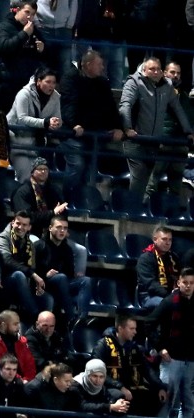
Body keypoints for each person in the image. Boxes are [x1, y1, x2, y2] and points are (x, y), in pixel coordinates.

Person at [119, 57, 194, 200]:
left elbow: (178, 109)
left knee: (146, 178)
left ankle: (139, 210)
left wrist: (188, 131)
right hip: (136, 139)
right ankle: (132, 210)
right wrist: (127, 128)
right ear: (144, 70)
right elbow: (125, 106)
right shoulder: (134, 82)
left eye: (158, 69)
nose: (155, 72)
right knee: (139, 176)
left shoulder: (167, 86)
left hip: (153, 142)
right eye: (152, 69)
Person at [59, 50, 124, 198]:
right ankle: (66, 199)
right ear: (88, 65)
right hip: (73, 134)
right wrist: (74, 124)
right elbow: (69, 103)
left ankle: (84, 201)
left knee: (91, 172)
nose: (102, 68)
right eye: (99, 64)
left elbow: (111, 108)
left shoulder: (102, 82)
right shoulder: (71, 78)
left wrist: (118, 127)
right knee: (77, 165)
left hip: (94, 135)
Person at [147, 268, 194, 418]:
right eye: (185, 282)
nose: (188, 286)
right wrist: (160, 348)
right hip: (171, 359)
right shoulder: (169, 302)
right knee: (167, 400)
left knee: (188, 402)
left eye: (191, 283)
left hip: (190, 360)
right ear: (179, 283)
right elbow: (149, 324)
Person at [91, 315, 165, 418]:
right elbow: (96, 373)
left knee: (154, 396)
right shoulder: (103, 345)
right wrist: (120, 387)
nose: (135, 332)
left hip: (130, 387)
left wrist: (160, 387)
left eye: (135, 328)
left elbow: (147, 370)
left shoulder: (134, 347)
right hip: (108, 387)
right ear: (120, 328)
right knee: (119, 397)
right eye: (131, 329)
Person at [7, 67, 64, 183]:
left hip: (36, 142)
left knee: (40, 177)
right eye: (48, 82)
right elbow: (21, 118)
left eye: (53, 82)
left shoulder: (55, 97)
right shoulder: (24, 94)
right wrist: (45, 123)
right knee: (25, 175)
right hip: (16, 140)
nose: (51, 86)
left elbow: (58, 117)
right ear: (38, 81)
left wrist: (56, 123)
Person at [33, 215, 91, 324]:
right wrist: (46, 274)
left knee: (86, 280)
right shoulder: (39, 246)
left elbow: (69, 273)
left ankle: (82, 319)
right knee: (61, 277)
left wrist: (75, 276)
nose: (62, 231)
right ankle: (71, 318)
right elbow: (31, 271)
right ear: (50, 228)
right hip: (44, 282)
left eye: (65, 228)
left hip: (63, 282)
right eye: (59, 227)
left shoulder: (67, 249)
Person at [0, 212, 53, 322]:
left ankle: (45, 327)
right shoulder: (3, 238)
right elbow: (7, 261)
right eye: (18, 223)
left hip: (24, 285)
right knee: (19, 275)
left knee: (47, 299)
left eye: (24, 225)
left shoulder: (29, 243)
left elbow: (32, 267)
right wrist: (32, 274)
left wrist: (37, 284)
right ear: (13, 223)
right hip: (3, 282)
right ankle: (35, 316)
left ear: (29, 227)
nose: (20, 227)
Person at [0, 0, 45, 108]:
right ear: (18, 10)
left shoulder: (33, 30)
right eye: (27, 12)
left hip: (27, 84)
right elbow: (4, 47)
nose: (30, 17)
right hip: (7, 82)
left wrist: (42, 50)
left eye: (33, 14)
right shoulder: (2, 27)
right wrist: (24, 34)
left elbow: (43, 54)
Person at [11, 158, 67, 237]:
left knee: (80, 249)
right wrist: (52, 213)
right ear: (33, 172)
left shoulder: (54, 190)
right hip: (29, 234)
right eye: (40, 169)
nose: (43, 171)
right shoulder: (22, 192)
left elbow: (63, 214)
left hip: (52, 234)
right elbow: (27, 217)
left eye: (46, 169)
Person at [0, 310, 36, 379]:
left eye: (18, 324)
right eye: (15, 324)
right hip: (2, 380)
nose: (19, 327)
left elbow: (30, 364)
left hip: (23, 382)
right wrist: (19, 380)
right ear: (4, 325)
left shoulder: (21, 340)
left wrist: (27, 380)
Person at [136, 226, 180, 308]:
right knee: (169, 304)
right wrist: (170, 296)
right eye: (164, 239)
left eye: (170, 240)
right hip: (149, 296)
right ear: (155, 239)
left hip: (170, 295)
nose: (168, 243)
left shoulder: (173, 257)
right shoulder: (145, 258)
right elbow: (150, 284)